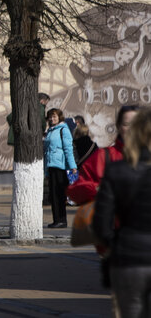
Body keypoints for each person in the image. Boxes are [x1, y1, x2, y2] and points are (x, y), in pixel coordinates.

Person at [93, 107, 151, 318]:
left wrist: (116, 244)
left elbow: (101, 224)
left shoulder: (117, 171)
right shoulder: (109, 159)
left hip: (128, 259)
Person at [44, 108, 77, 228]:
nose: (52, 119)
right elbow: (47, 151)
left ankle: (62, 220)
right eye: (50, 117)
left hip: (60, 167)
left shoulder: (64, 130)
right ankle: (56, 219)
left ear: (59, 117)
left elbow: (68, 149)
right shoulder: (50, 131)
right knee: (53, 195)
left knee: (59, 194)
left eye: (54, 117)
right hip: (51, 166)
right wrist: (46, 170)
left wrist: (72, 166)